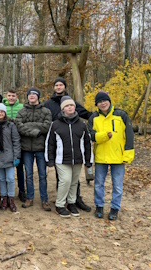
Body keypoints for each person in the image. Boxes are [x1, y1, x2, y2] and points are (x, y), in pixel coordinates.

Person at [44, 77, 92, 212]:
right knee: (64, 179)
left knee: (74, 179)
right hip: (59, 141)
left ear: (65, 87)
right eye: (56, 85)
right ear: (54, 88)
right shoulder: (48, 104)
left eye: (61, 85)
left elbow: (84, 113)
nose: (58, 87)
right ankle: (61, 202)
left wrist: (95, 116)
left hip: (74, 147)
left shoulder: (72, 104)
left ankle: (75, 200)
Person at [88, 91, 135, 221]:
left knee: (117, 185)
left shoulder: (121, 115)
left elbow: (129, 136)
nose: (103, 103)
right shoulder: (94, 117)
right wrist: (103, 136)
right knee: (98, 184)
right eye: (100, 102)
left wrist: (128, 154)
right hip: (101, 156)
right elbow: (89, 135)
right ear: (97, 104)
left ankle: (115, 208)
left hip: (118, 156)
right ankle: (99, 206)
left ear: (109, 101)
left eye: (105, 100)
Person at [16, 88, 52, 211]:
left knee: (42, 175)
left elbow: (47, 126)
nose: (32, 96)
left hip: (41, 147)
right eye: (30, 94)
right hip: (26, 148)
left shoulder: (46, 111)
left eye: (34, 94)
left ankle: (44, 199)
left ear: (38, 96)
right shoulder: (21, 111)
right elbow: (19, 127)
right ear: (27, 97)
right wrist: (35, 131)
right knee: (29, 174)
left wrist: (30, 128)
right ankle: (29, 198)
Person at [0, 103, 21, 212]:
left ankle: (11, 199)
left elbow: (16, 141)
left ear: (4, 113)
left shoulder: (10, 125)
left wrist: (16, 156)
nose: (0, 113)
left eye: (1, 112)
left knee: (10, 178)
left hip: (9, 156)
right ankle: (4, 198)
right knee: (1, 179)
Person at [2, 88, 25, 202]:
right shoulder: (2, 107)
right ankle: (5, 192)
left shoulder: (21, 107)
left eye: (13, 96)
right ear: (6, 96)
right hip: (5, 141)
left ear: (16, 97)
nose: (11, 98)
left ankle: (21, 191)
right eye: (9, 95)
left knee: (20, 168)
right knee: (5, 168)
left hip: (18, 140)